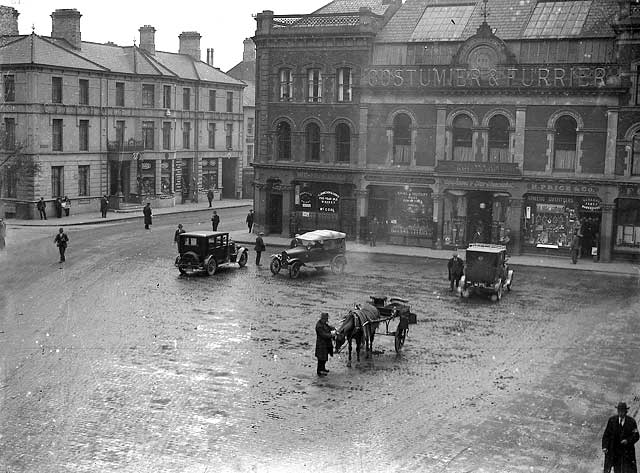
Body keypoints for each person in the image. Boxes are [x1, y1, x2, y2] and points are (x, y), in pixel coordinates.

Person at [602, 401, 639, 473]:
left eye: (622, 411)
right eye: (619, 411)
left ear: (626, 411)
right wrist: (605, 446)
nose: (621, 413)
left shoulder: (631, 422)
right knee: (617, 470)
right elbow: (606, 435)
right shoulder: (612, 420)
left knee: (627, 470)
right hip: (615, 452)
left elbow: (636, 436)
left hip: (627, 453)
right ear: (617, 411)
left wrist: (628, 440)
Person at [315, 312, 336, 377]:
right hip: (321, 345)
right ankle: (319, 371)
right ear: (322, 319)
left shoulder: (323, 324)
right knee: (320, 359)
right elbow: (324, 335)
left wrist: (333, 328)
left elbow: (329, 327)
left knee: (324, 358)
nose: (327, 320)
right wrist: (332, 335)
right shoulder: (319, 326)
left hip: (325, 345)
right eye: (326, 319)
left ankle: (323, 369)